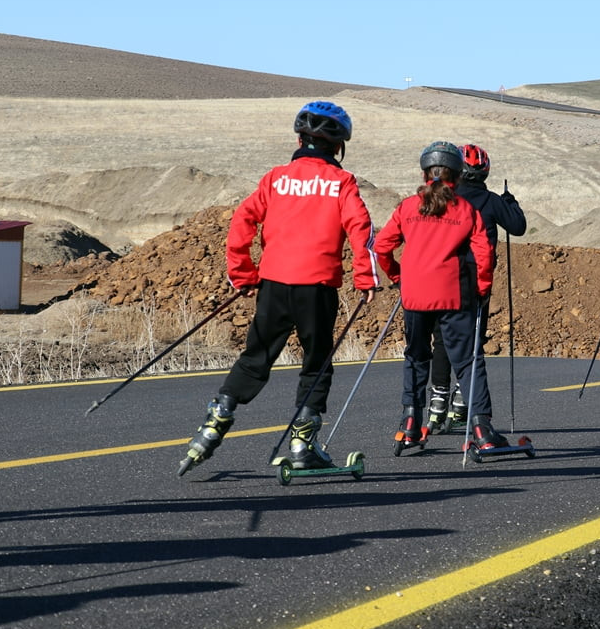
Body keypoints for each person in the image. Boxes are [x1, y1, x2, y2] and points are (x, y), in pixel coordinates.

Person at [179, 101, 383, 476]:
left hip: (273, 282)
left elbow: (243, 219)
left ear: (299, 138)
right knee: (316, 362)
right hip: (317, 287)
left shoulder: (275, 178)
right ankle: (303, 443)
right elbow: (361, 228)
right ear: (338, 146)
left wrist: (243, 274)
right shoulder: (341, 182)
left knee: (256, 357)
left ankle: (216, 419)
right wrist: (366, 278)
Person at [372, 141, 505, 451]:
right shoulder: (466, 209)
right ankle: (482, 429)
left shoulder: (408, 207)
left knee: (416, 357)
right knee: (469, 360)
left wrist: (397, 276)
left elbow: (381, 246)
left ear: (424, 173)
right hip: (454, 294)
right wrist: (483, 289)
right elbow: (484, 252)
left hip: (415, 295)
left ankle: (410, 423)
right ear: (457, 176)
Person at [425, 143, 527, 432]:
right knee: (473, 341)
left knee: (442, 340)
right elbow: (518, 226)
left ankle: (438, 402)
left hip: (443, 276)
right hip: (477, 279)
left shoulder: (446, 198)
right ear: (484, 172)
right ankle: (462, 399)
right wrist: (511, 202)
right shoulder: (492, 200)